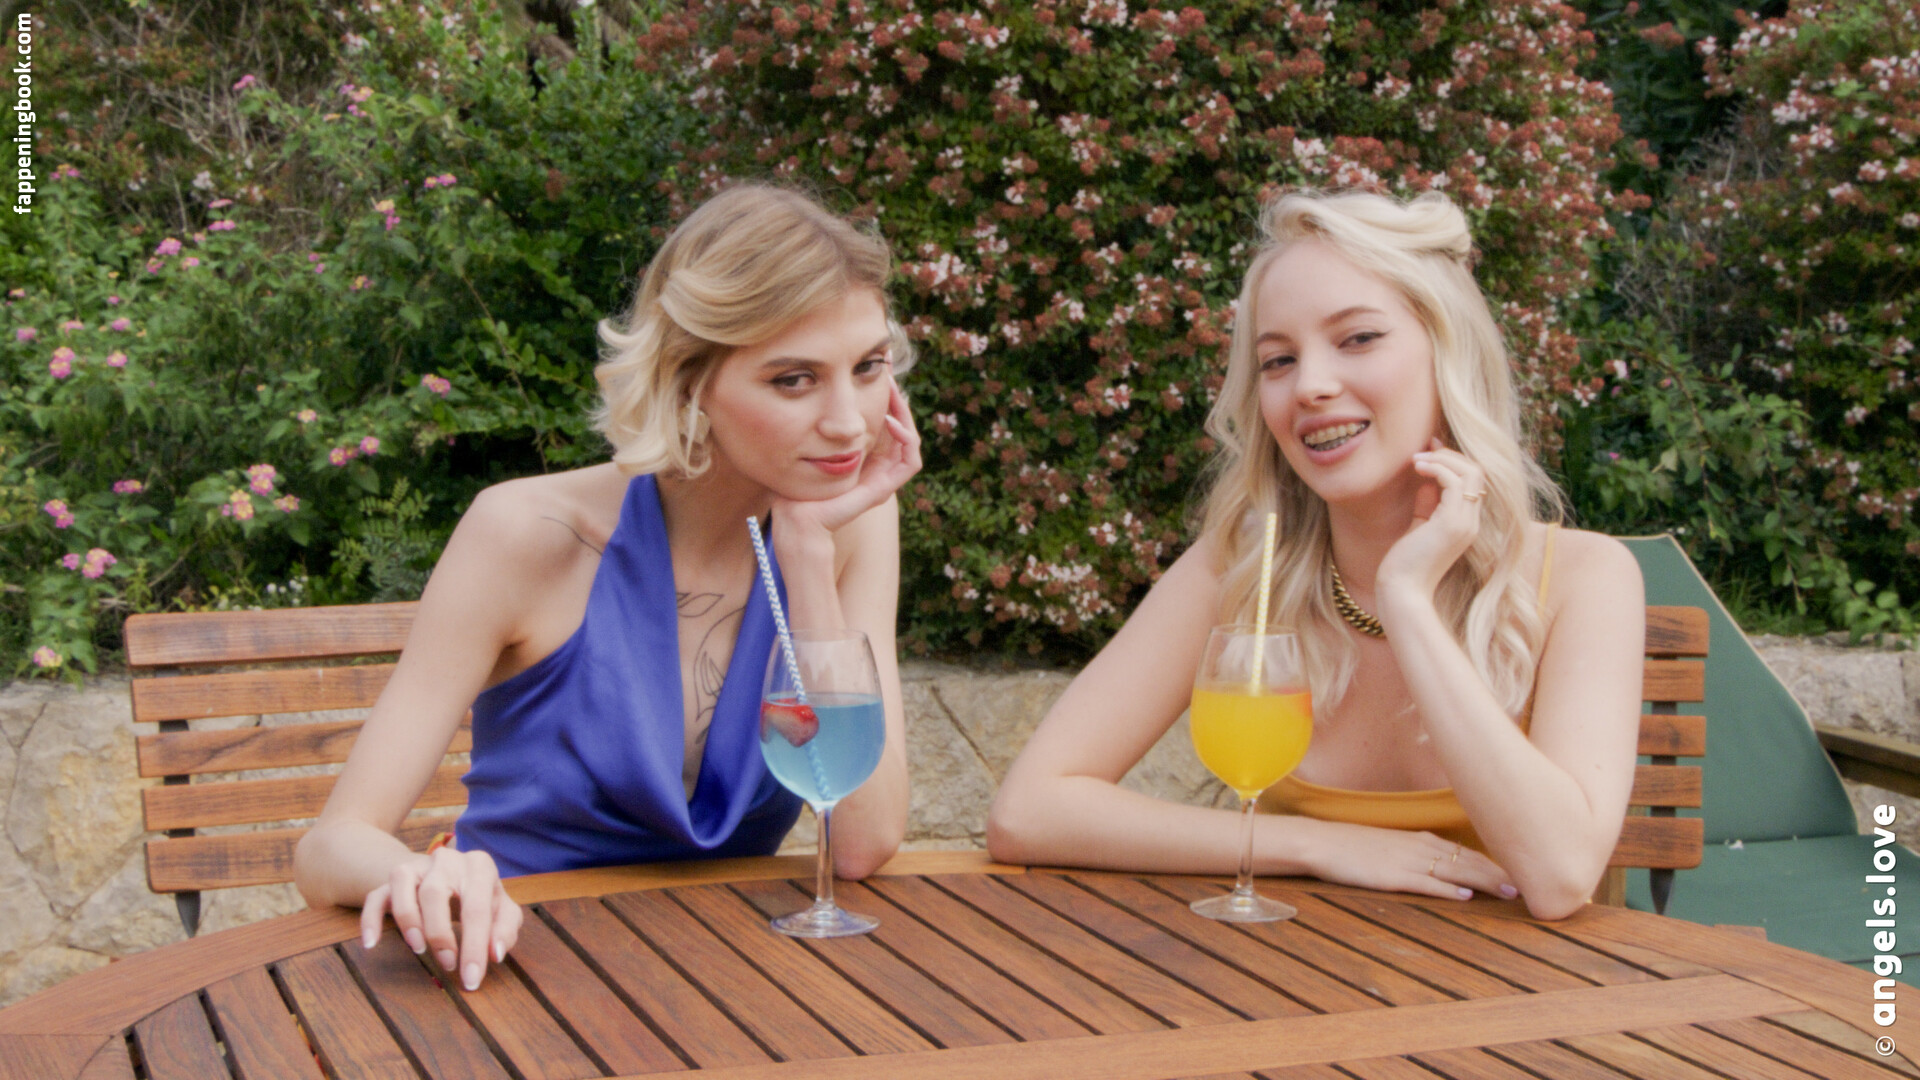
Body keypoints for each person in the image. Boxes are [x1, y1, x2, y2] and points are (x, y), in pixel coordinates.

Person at [294, 184, 922, 989]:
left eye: (868, 368)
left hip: (733, 979)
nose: (849, 422)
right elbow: (331, 844)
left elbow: (863, 840)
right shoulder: (527, 534)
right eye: (793, 380)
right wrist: (419, 874)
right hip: (512, 969)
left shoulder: (849, 526)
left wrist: (805, 557)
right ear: (688, 379)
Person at [987, 188, 1644, 921]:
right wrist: (1318, 845)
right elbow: (1028, 810)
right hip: (1285, 976)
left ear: (1448, 350)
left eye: (1358, 339)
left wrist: (1407, 598)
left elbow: (1559, 876)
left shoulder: (1585, 578)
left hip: (1517, 988)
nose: (1311, 386)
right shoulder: (1238, 571)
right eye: (1278, 360)